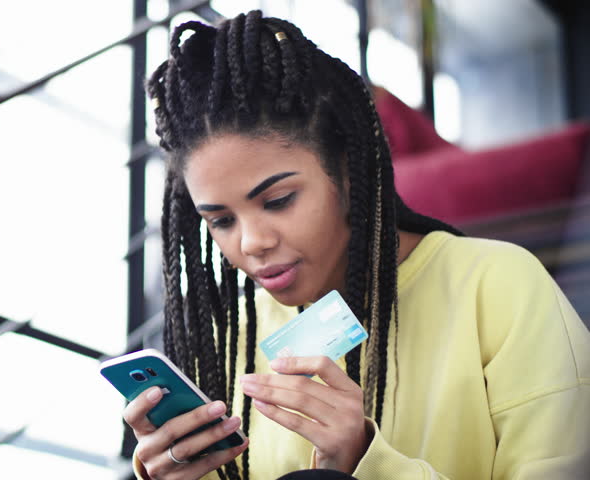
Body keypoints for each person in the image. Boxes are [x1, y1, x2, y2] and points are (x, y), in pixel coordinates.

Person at [120, 10, 590, 480]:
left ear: (347, 170)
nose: (252, 243)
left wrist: (369, 462)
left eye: (279, 200)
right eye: (221, 220)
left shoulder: (499, 286)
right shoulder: (230, 338)